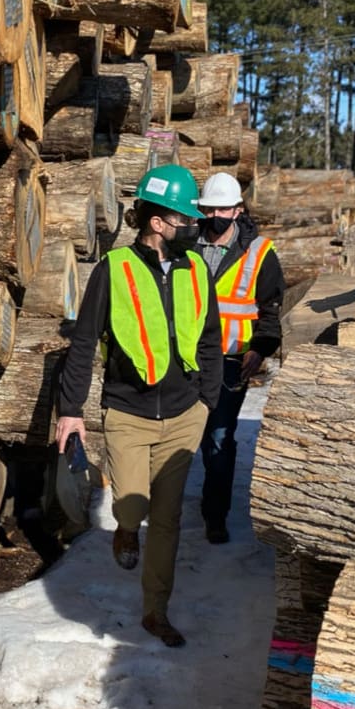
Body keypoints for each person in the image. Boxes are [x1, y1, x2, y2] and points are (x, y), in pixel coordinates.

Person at [55, 165, 223, 648]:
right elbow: (84, 343)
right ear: (156, 222)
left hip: (184, 416)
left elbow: (210, 342)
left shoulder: (196, 271)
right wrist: (71, 410)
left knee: (167, 520)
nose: (194, 225)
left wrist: (206, 402)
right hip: (128, 415)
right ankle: (125, 530)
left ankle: (156, 611)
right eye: (184, 218)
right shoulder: (115, 269)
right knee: (132, 507)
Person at [194, 172, 284, 545]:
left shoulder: (260, 252)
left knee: (219, 437)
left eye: (223, 208)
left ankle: (216, 516)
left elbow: (271, 306)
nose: (216, 215)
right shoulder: (187, 243)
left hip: (233, 361)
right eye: (210, 208)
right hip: (187, 359)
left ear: (238, 210)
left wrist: (260, 348)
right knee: (180, 436)